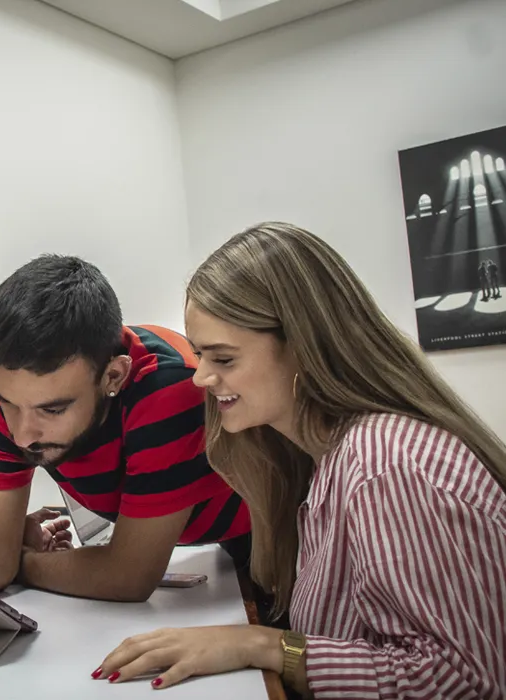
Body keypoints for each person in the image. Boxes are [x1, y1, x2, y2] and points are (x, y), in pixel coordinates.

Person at [94, 223, 506, 698]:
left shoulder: (387, 468)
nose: (200, 377)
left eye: (223, 359)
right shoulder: (319, 457)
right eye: (200, 354)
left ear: (304, 350)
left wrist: (265, 646)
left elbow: (464, 681)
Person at [0, 255, 250, 602]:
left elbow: (129, 576)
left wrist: (18, 561)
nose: (22, 436)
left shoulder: (170, 390)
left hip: (262, 536)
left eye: (53, 409)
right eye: (9, 404)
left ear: (113, 376)